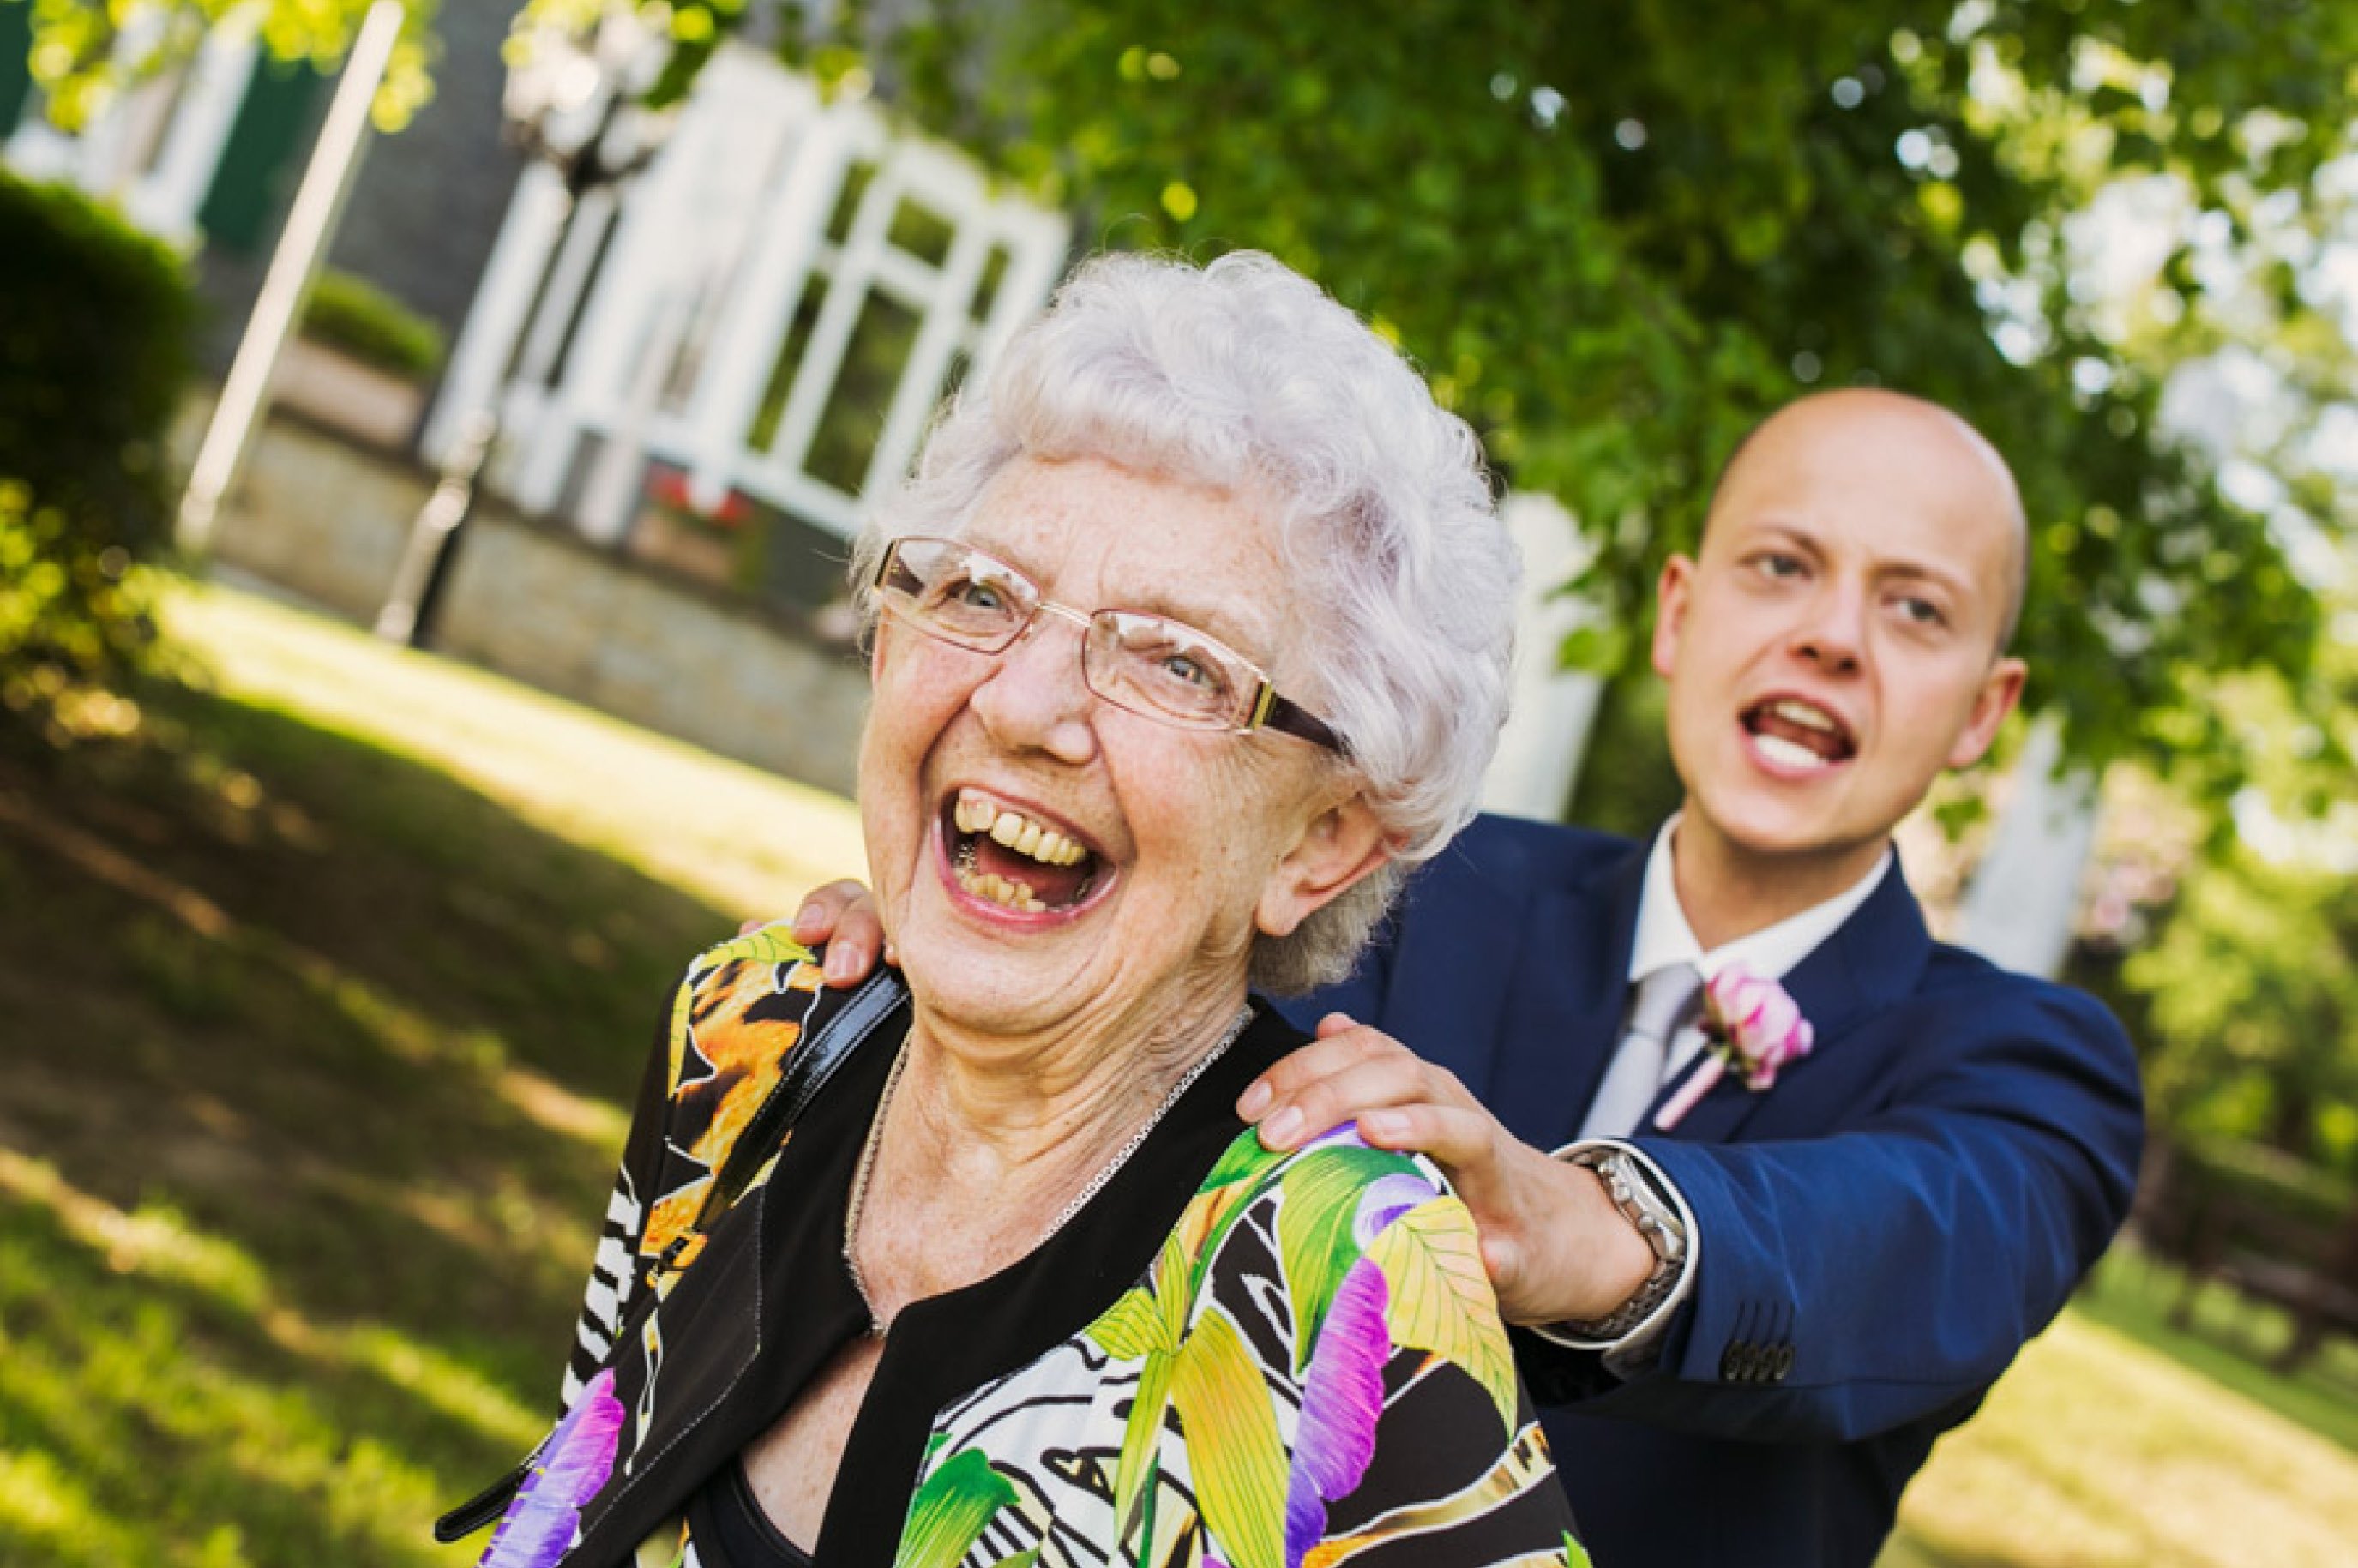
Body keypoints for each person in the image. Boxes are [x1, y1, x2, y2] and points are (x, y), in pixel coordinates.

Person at [797, 388, 2145, 1566]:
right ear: (1676, 614)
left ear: (1983, 708)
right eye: (1782, 565)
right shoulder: (1416, 878)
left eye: (1914, 608)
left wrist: (1581, 1229)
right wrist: (979, 950)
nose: (1831, 636)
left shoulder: (2032, 1069)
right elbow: (1147, 1044)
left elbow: (1910, 1243)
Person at [437, 252, 1587, 1568]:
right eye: (981, 592)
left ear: (1321, 840)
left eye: (1175, 660)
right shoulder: (748, 1028)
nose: (1023, 705)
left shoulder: (1347, 1278)